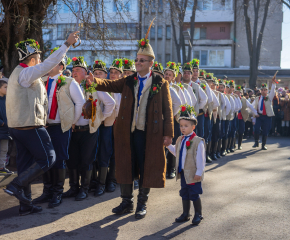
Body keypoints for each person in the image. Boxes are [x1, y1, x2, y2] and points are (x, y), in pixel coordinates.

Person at [86, 30, 174, 219]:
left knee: (147, 166)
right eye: (136, 59)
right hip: (127, 132)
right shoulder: (129, 80)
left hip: (150, 133)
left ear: (150, 63)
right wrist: (95, 81)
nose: (137, 63)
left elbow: (168, 110)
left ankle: (142, 203)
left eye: (142, 60)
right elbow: (110, 85)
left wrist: (168, 134)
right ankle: (127, 202)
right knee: (125, 164)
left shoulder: (160, 82)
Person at [4, 32, 79, 216]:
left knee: (25, 164)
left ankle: (25, 205)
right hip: (30, 127)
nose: (40, 62)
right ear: (31, 60)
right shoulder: (27, 72)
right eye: (38, 58)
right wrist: (66, 45)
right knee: (48, 158)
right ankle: (16, 185)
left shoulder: (20, 74)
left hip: (17, 128)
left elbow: (46, 74)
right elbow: (48, 65)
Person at [32, 48, 85, 208]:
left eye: (53, 63)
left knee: (59, 159)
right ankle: (47, 191)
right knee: (46, 159)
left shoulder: (69, 82)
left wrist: (71, 121)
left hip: (61, 127)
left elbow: (81, 103)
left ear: (61, 67)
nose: (48, 65)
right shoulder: (42, 81)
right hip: (45, 126)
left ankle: (57, 192)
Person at [62, 56, 101, 201]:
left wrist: (99, 120)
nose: (74, 73)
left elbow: (110, 103)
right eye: (73, 70)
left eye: (78, 70)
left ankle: (84, 189)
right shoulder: (68, 86)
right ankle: (73, 188)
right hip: (72, 130)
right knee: (72, 160)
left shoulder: (92, 86)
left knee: (86, 160)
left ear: (86, 73)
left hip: (87, 131)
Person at [166, 104, 205, 225]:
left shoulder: (198, 141)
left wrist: (199, 172)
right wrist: (168, 145)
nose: (183, 128)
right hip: (183, 173)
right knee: (184, 192)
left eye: (186, 126)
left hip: (193, 173)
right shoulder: (180, 139)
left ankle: (198, 214)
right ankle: (186, 213)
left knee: (194, 193)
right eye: (181, 126)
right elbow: (177, 152)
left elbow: (201, 159)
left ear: (193, 127)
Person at [163, 62, 182, 179]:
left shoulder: (174, 89)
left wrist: (170, 115)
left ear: (173, 77)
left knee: (171, 144)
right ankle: (163, 169)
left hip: (171, 121)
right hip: (160, 121)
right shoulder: (159, 86)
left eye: (170, 75)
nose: (167, 76)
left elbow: (179, 103)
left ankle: (172, 169)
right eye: (166, 74)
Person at [182, 61, 207, 138]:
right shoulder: (179, 85)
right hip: (181, 115)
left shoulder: (196, 86)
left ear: (191, 75)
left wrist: (197, 107)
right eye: (185, 73)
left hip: (193, 115)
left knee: (194, 136)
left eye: (188, 73)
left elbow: (204, 98)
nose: (186, 75)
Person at [252, 78, 276, 150]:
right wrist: (255, 114)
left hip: (267, 116)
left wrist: (273, 84)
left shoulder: (269, 97)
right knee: (256, 129)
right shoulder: (257, 98)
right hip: (259, 116)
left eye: (265, 90)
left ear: (266, 91)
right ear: (260, 91)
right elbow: (252, 107)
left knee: (265, 130)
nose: (263, 91)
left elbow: (272, 91)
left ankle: (263, 144)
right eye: (262, 90)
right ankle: (256, 142)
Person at [234, 85, 258, 150]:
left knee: (241, 131)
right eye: (237, 92)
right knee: (233, 131)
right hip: (234, 117)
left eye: (239, 92)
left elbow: (251, 107)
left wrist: (256, 113)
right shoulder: (232, 98)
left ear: (241, 93)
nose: (238, 94)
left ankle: (239, 145)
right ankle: (233, 145)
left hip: (241, 118)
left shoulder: (244, 100)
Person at [203, 73, 219, 163]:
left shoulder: (212, 92)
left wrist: (210, 109)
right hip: (200, 114)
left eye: (210, 81)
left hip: (207, 115)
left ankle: (207, 154)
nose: (208, 83)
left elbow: (216, 103)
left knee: (207, 135)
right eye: (207, 81)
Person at [0, 80, 12, 174]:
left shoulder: (8, 99)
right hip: (2, 127)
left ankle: (1, 167)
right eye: (5, 87)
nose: (7, 89)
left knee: (4, 149)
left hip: (5, 130)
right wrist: (1, 123)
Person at [217, 79, 231, 158]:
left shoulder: (225, 96)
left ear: (224, 89)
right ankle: (218, 150)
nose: (220, 89)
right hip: (219, 117)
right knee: (219, 134)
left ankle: (224, 149)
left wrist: (223, 115)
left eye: (221, 87)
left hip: (223, 118)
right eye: (219, 87)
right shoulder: (217, 95)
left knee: (224, 133)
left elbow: (228, 107)